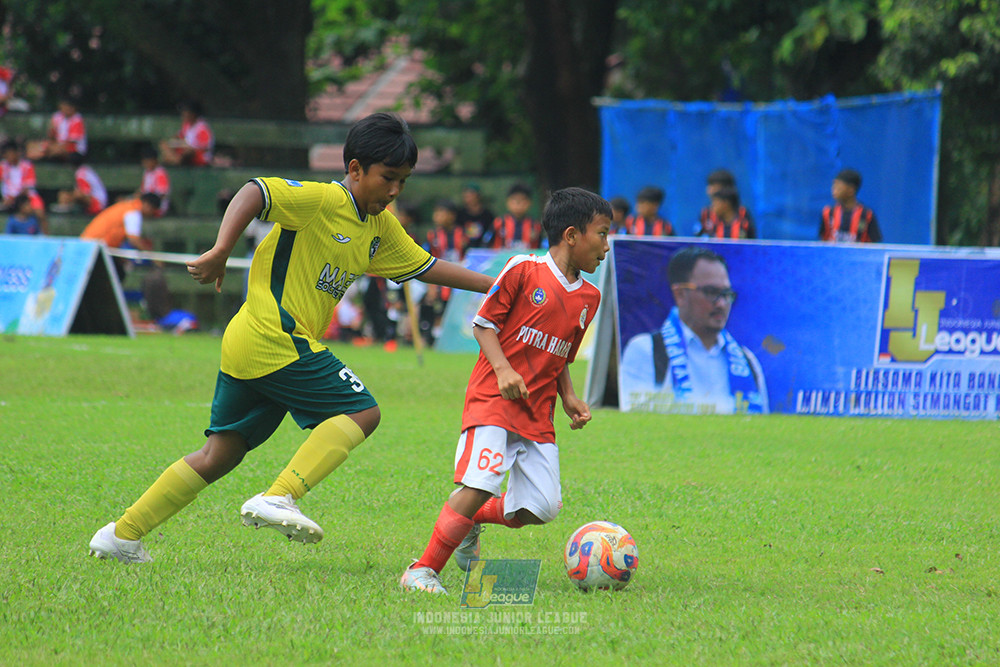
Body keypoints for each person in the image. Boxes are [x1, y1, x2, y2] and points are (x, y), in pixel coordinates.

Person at [87, 112, 493, 564]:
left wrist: (497, 284)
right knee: (362, 410)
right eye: (388, 177)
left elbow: (426, 266)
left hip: (252, 342)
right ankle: (279, 496)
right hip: (272, 334)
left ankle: (122, 534)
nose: (396, 190)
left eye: (404, 181)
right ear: (355, 169)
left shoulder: (380, 226)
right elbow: (253, 192)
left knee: (219, 454)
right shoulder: (320, 200)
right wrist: (222, 249)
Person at [400, 187, 612, 594]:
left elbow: (560, 351)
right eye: (601, 234)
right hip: (494, 397)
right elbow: (484, 324)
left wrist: (567, 396)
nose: (606, 245)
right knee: (481, 481)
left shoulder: (590, 296)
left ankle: (472, 520)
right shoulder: (522, 269)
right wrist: (502, 370)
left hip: (538, 411)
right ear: (571, 235)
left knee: (541, 508)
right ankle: (421, 570)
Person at [619, 246, 768, 415]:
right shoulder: (647, 350)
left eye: (726, 294)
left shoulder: (747, 361)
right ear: (680, 294)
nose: (721, 304)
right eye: (711, 292)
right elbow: (637, 423)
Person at [79, 193, 161, 281]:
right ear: (147, 205)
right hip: (95, 249)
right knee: (117, 274)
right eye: (153, 211)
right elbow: (134, 240)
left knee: (116, 272)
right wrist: (154, 258)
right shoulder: (133, 212)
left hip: (92, 246)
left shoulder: (126, 206)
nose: (151, 215)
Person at [820, 168, 881, 243]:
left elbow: (873, 246)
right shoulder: (827, 213)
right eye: (833, 184)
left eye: (838, 185)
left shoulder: (867, 215)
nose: (833, 188)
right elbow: (823, 242)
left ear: (851, 190)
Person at [0, 139, 48, 233]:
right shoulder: (3, 166)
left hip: (27, 197)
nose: (8, 157)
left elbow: (28, 187)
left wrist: (15, 197)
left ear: (16, 153)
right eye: (6, 155)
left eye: (10, 154)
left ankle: (46, 237)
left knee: (40, 213)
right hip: (9, 198)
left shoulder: (27, 166)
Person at [28, 97, 87, 161]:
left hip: (75, 151)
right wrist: (52, 130)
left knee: (50, 150)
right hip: (57, 146)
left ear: (72, 108)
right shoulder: (59, 116)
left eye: (65, 107)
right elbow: (51, 137)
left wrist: (52, 148)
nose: (62, 109)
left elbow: (71, 144)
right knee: (32, 146)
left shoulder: (77, 119)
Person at [159, 100, 214, 167]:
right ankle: (176, 161)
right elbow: (178, 137)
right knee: (164, 144)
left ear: (193, 114)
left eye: (185, 112)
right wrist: (173, 143)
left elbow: (204, 148)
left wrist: (185, 146)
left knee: (188, 151)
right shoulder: (186, 125)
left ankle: (173, 161)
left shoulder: (202, 128)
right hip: (184, 151)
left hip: (200, 156)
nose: (183, 114)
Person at [488, 182, 541, 250]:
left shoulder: (536, 225)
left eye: (522, 200)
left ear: (529, 203)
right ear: (508, 202)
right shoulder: (499, 223)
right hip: (502, 260)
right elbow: (485, 246)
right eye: (515, 200)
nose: (518, 204)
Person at [456, 182, 494, 248]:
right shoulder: (460, 214)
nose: (469, 198)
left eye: (471, 195)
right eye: (466, 196)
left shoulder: (487, 215)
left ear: (478, 196)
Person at [136, 145, 171, 216]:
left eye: (147, 161)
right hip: (146, 203)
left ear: (154, 160)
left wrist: (147, 203)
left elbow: (162, 195)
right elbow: (142, 191)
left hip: (157, 207)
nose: (145, 164)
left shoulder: (160, 173)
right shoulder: (147, 172)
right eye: (144, 162)